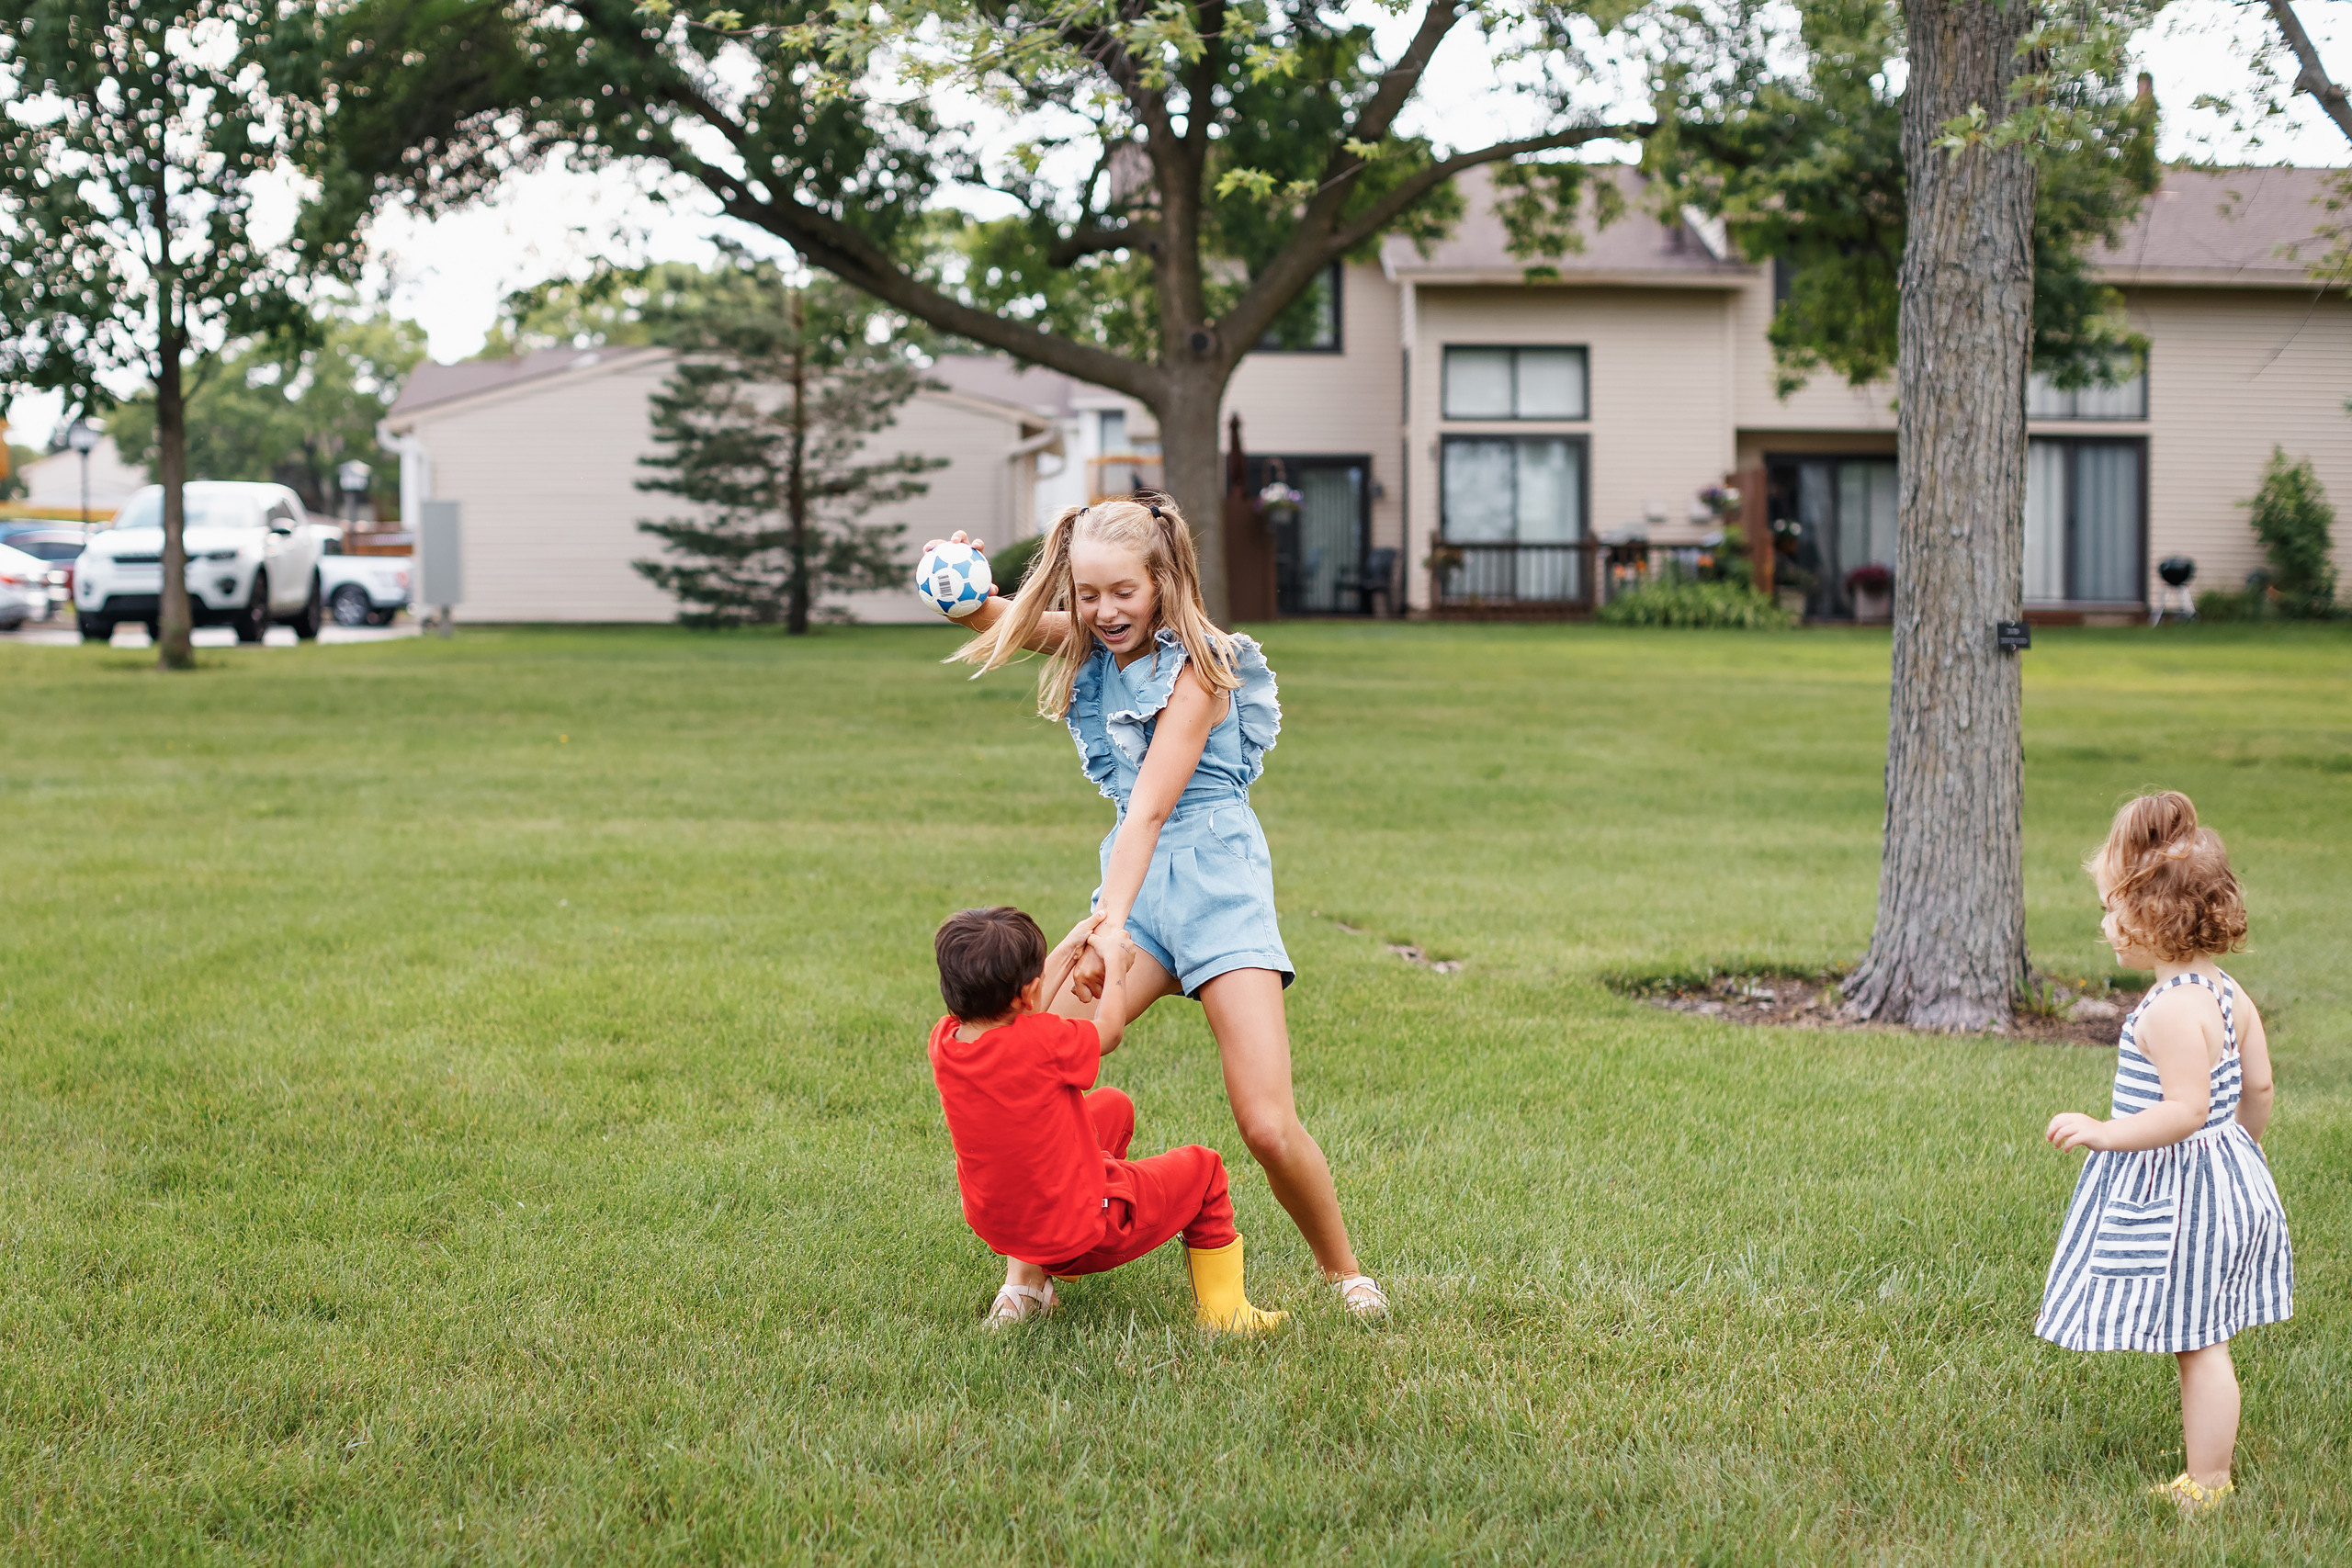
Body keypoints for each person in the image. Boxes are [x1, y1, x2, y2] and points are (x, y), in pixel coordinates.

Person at [922, 495, 1385, 1317]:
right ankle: (1026, 1281)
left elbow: (1150, 811)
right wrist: (957, 584)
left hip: (1216, 886)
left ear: (1162, 581)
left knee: (1267, 1124)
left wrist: (1107, 924)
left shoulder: (1203, 667)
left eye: (1122, 593)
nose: (1103, 612)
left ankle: (1345, 1274)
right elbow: (997, 617)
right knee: (1033, 1064)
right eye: (1087, 593)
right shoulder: (1093, 639)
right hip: (1133, 885)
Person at [2036, 791, 2292, 1515]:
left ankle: (2209, 1481)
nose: (2104, 924)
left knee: (2200, 1342)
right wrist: (2243, 1156)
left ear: (2151, 919)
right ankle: (2208, 1472)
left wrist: (2104, 1129)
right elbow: (2260, 1085)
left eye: (2111, 908)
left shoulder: (2173, 1008)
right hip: (2228, 1172)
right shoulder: (2224, 990)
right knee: (2202, 1333)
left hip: (2185, 1195)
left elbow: (2182, 1110)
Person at [928, 905, 1285, 1333]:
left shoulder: (946, 1041)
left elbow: (1025, 1014)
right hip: (1082, 1229)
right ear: (1027, 993)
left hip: (1003, 1221)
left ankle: (1034, 1282)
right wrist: (1117, 966)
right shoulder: (1044, 1042)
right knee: (1204, 1171)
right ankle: (1225, 1314)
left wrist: (1072, 943)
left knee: (1111, 1106)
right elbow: (1109, 1031)